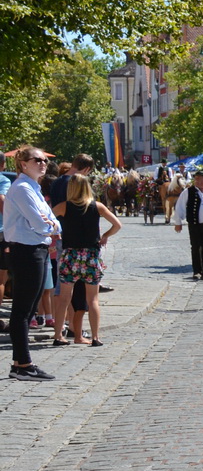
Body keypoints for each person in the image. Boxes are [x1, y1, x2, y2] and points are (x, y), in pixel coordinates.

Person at [4, 147, 60, 380]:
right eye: (36, 160)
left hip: (38, 250)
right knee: (23, 310)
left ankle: (20, 363)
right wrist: (49, 226)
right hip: (27, 251)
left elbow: (55, 223)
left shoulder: (34, 189)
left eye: (44, 160)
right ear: (23, 164)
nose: (42, 163)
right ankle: (23, 364)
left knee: (28, 309)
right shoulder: (22, 189)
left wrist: (51, 225)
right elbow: (41, 223)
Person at [52, 173, 120, 345]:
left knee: (64, 298)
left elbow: (47, 221)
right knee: (93, 299)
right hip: (90, 255)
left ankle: (58, 336)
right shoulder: (97, 206)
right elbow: (117, 224)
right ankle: (95, 337)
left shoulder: (63, 206)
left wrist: (55, 235)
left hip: (70, 255)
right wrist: (105, 235)